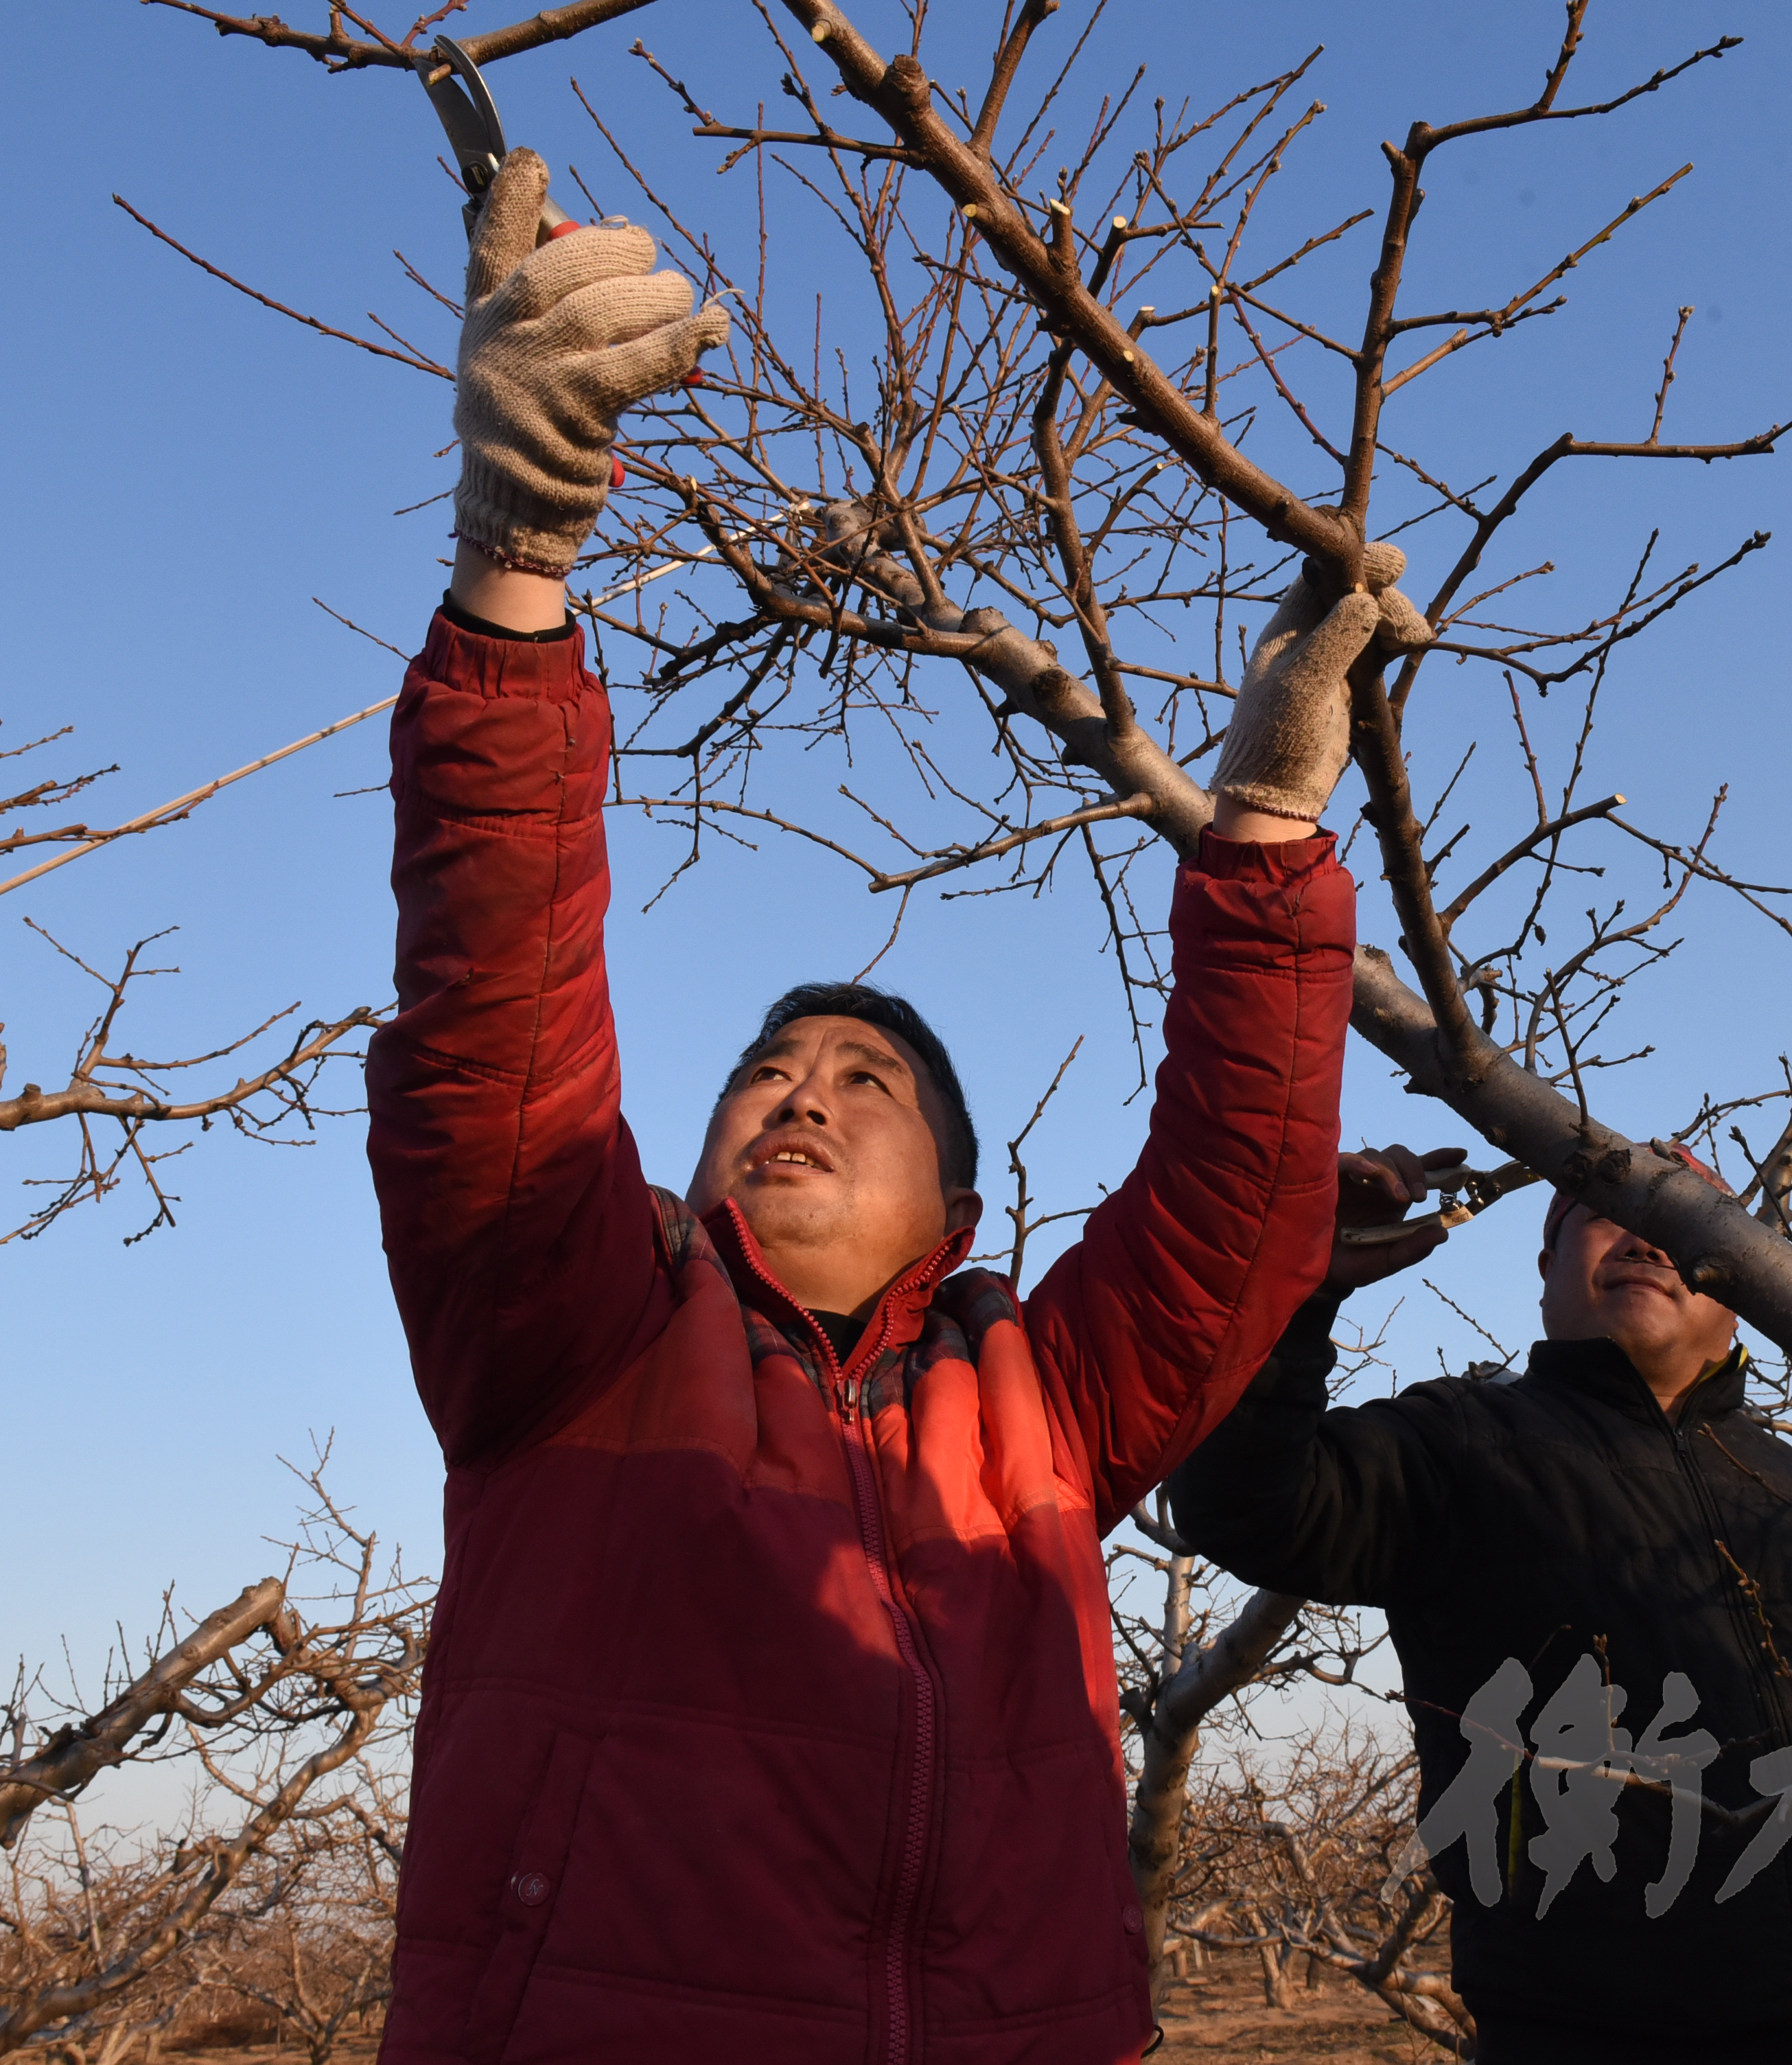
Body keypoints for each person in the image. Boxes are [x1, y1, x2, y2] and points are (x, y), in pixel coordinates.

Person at [364, 150, 1424, 2064]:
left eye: (865, 1081)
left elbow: (1232, 1199)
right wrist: (520, 554)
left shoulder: (1042, 1413)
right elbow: (496, 1015)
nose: (796, 1094)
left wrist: (1266, 824)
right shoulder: (574, 1340)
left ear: (956, 1204)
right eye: (765, 1070)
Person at [1166, 1149, 1792, 2065]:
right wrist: (1295, 1284)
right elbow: (1247, 1504)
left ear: (1739, 1297)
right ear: (1546, 1269)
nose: (1649, 1238)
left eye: (1686, 1222)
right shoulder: (1455, 1449)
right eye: (1607, 1210)